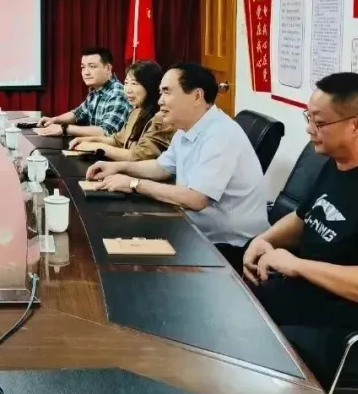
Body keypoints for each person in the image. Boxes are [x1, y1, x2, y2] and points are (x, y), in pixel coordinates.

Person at [243, 73, 358, 387]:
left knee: (252, 343)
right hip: (314, 303)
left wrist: (298, 265)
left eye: (320, 122)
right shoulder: (336, 163)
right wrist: (263, 239)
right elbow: (304, 218)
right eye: (309, 118)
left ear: (357, 124)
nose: (309, 129)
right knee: (233, 305)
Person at [87, 62, 268, 256]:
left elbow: (196, 199)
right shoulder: (187, 127)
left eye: (167, 92)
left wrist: (133, 184)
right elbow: (161, 167)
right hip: (194, 229)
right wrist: (118, 167)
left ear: (197, 96)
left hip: (231, 246)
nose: (160, 101)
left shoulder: (221, 134)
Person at [68, 60, 173, 162]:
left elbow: (139, 156)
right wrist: (88, 140)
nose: (128, 90)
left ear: (150, 86)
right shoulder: (136, 112)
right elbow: (117, 140)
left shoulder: (162, 118)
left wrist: (98, 147)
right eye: (126, 83)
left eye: (134, 84)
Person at [35, 47, 131, 138]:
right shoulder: (96, 90)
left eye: (92, 67)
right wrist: (54, 120)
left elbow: (106, 132)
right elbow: (77, 113)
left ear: (108, 68)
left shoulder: (118, 93)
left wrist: (64, 128)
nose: (86, 72)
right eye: (83, 67)